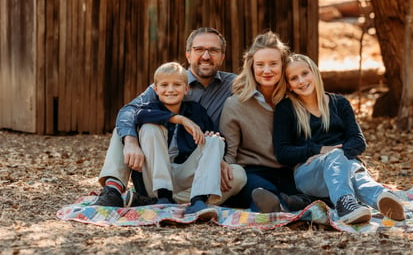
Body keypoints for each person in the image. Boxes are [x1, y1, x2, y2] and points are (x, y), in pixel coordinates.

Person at [94, 27, 246, 207]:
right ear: (188, 55)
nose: (206, 56)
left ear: (222, 57)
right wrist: (131, 142)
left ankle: (160, 202)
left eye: (213, 50)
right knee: (126, 127)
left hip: (193, 168)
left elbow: (260, 92)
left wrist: (219, 160)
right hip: (156, 165)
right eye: (199, 50)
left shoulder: (234, 85)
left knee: (237, 175)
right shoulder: (170, 80)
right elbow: (130, 111)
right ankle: (113, 189)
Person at [266, 53, 405, 224]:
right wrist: (318, 151)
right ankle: (347, 204)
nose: (301, 81)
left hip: (346, 165)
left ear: (314, 72)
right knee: (339, 159)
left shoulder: (339, 103)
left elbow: (358, 141)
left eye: (305, 73)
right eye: (294, 78)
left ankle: (379, 199)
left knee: (350, 169)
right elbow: (283, 152)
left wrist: (335, 154)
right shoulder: (285, 109)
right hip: (308, 173)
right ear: (289, 85)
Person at [220, 31, 302, 211]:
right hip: (253, 171)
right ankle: (273, 205)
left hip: (288, 170)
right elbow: (230, 150)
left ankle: (284, 205)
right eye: (260, 65)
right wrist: (225, 166)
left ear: (283, 65)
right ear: (251, 66)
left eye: (273, 64)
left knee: (300, 195)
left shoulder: (295, 99)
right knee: (263, 191)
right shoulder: (235, 104)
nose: (266, 70)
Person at [133, 62, 223, 218]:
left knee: (216, 140)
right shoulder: (150, 108)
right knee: (150, 127)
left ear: (186, 89)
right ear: (156, 89)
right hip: (153, 179)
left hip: (185, 175)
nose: (170, 90)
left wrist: (212, 140)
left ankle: (198, 201)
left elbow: (216, 137)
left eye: (176, 85)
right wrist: (179, 119)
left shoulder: (196, 110)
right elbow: (139, 116)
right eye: (164, 85)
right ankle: (163, 196)